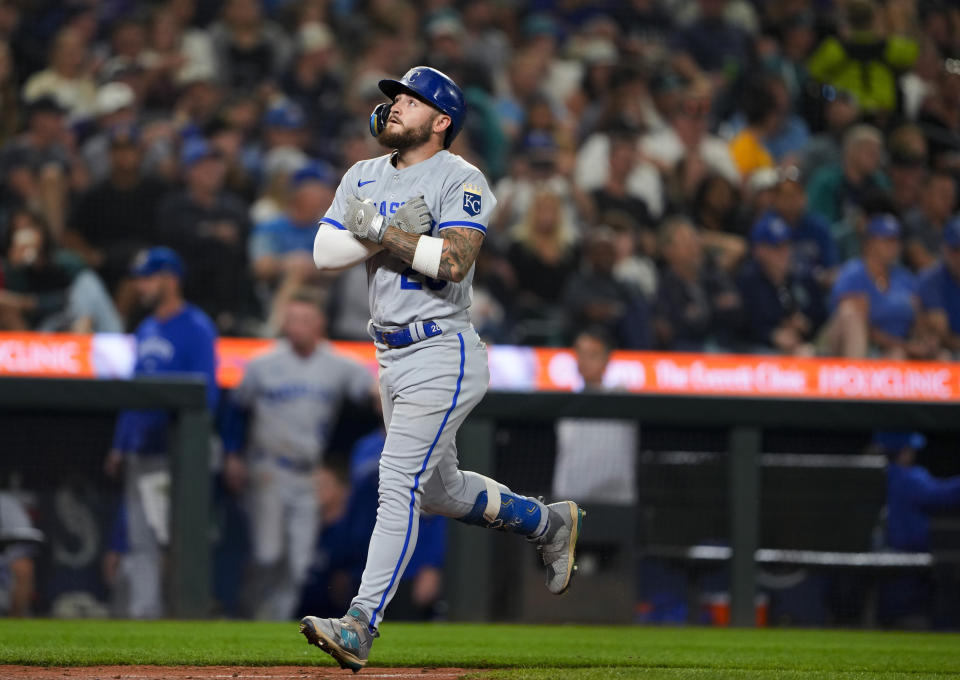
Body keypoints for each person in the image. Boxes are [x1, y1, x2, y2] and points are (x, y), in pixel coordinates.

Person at [301, 66, 584, 671]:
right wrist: (395, 234)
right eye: (395, 96)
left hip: (443, 348)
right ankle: (546, 523)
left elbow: (453, 261)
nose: (397, 104)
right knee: (437, 491)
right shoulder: (363, 173)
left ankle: (360, 622)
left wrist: (375, 226)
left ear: (442, 120)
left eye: (411, 98)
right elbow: (324, 253)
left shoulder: (462, 177)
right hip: (389, 354)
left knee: (396, 480)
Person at [221, 288, 374, 620]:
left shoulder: (338, 363)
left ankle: (276, 629)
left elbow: (371, 390)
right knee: (267, 554)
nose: (297, 326)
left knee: (301, 563)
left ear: (321, 323)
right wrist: (232, 455)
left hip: (308, 473)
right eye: (291, 319)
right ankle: (250, 616)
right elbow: (236, 410)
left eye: (305, 319)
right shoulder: (263, 362)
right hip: (267, 469)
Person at [104, 246, 218, 619]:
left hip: (175, 454)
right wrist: (121, 444)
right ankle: (144, 617)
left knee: (178, 542)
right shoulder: (146, 327)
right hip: (142, 449)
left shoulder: (196, 327)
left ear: (169, 279)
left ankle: (184, 616)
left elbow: (207, 397)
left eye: (147, 278)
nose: (140, 287)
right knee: (140, 541)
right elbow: (133, 393)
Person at [873, 431, 960, 627]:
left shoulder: (875, 474)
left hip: (876, 556)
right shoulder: (909, 478)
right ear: (903, 452)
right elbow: (941, 496)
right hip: (903, 559)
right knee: (911, 613)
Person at [821, 215, 930, 359]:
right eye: (886, 240)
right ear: (869, 243)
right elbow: (860, 326)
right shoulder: (852, 274)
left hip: (897, 350)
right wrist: (900, 345)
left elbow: (919, 318)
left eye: (895, 240)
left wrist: (923, 341)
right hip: (855, 348)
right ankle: (854, 376)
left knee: (902, 357)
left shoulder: (905, 277)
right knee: (850, 312)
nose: (893, 245)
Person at [552, 328, 637, 505]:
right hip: (571, 501)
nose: (585, 361)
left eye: (593, 355)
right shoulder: (565, 403)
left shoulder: (623, 398)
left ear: (606, 359)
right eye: (581, 354)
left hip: (615, 501)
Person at [736, 214, 824, 355]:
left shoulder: (798, 277)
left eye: (786, 245)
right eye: (776, 247)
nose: (784, 253)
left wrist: (806, 323)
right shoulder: (747, 281)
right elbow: (741, 327)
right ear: (759, 250)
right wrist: (771, 335)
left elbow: (819, 314)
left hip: (806, 343)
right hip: (760, 353)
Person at [917, 217, 960, 358]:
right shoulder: (932, 279)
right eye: (955, 250)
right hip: (949, 351)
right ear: (945, 249)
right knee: (943, 357)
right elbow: (943, 334)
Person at [0, 491, 41, 617]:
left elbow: (24, 539)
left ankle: (16, 620)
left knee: (23, 566)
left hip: (2, 567)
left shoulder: (5, 504)